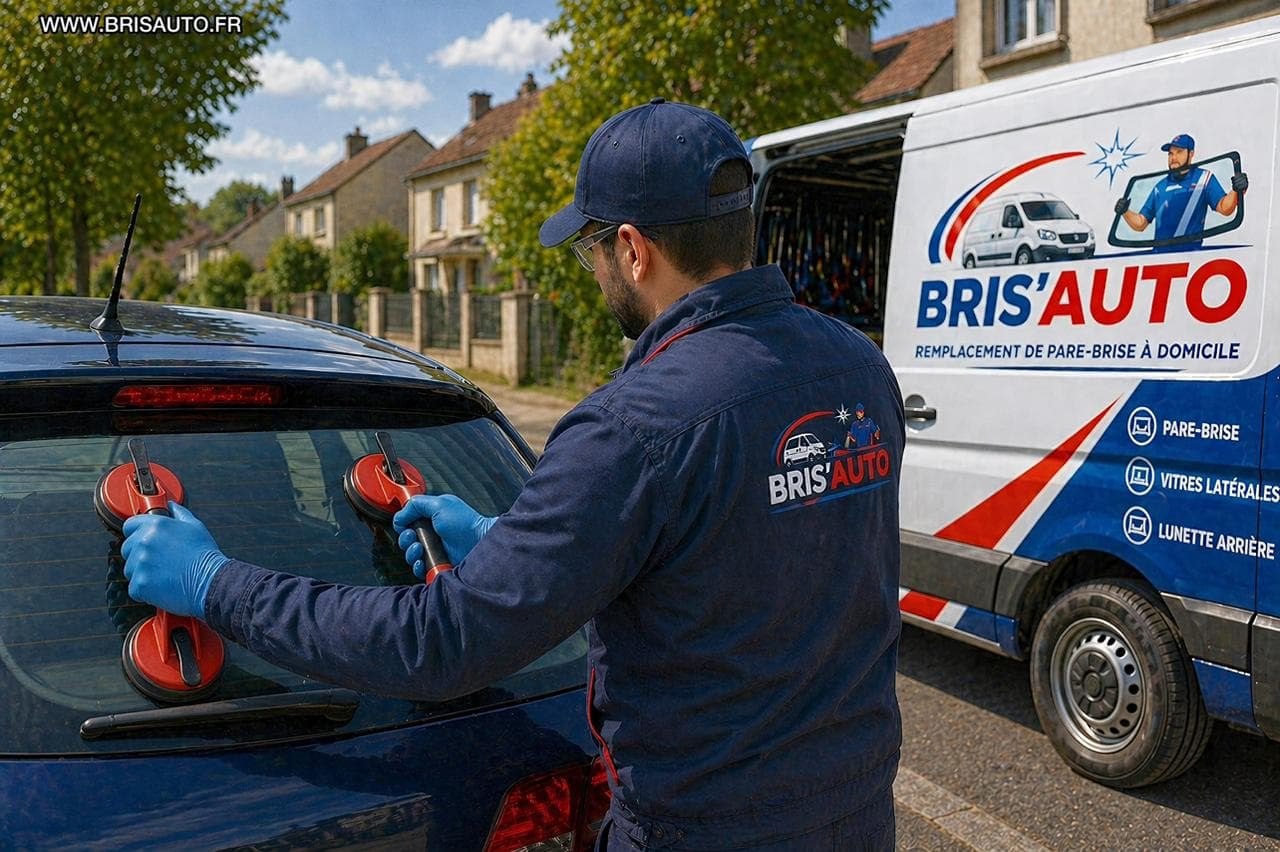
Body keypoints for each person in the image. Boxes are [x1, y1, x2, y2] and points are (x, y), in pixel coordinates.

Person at [121, 99, 905, 850]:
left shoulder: (634, 426)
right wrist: (507, 539)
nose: (597, 272)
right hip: (859, 813)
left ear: (634, 249)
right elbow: (751, 555)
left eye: (593, 250)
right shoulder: (858, 370)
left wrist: (212, 583)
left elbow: (440, 644)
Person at [1115, 132, 1248, 251]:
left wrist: (1237, 190)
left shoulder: (1204, 179)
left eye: (1179, 152)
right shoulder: (1160, 187)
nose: (1173, 157)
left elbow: (1225, 208)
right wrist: (1125, 212)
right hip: (1158, 257)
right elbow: (1141, 223)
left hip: (1190, 257)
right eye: (1171, 153)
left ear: (1191, 154)